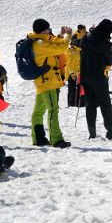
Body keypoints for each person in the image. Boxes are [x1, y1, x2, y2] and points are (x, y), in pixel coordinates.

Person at [28, 19, 71, 148]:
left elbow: (53, 43)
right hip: (48, 83)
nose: (49, 30)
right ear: (42, 30)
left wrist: (60, 35)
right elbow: (61, 48)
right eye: (47, 29)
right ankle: (56, 139)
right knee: (53, 110)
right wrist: (68, 35)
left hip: (43, 82)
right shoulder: (40, 44)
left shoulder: (39, 41)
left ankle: (38, 138)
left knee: (39, 110)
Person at [80, 19, 112, 142]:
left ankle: (92, 133)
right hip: (98, 76)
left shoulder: (85, 37)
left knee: (90, 105)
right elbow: (110, 60)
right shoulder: (103, 42)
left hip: (84, 75)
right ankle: (111, 131)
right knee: (105, 103)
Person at [67, 25, 86, 107]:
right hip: (73, 74)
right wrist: (72, 74)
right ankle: (72, 104)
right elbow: (70, 63)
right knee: (72, 90)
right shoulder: (73, 51)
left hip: (78, 73)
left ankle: (79, 103)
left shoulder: (79, 51)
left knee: (78, 89)